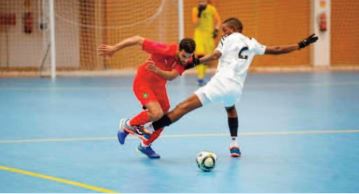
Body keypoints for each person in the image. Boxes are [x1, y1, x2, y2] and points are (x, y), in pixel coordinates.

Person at [125, 17, 318, 158]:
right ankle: (234, 144)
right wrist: (301, 45)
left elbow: (215, 56)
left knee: (182, 108)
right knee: (231, 109)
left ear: (233, 29)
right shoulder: (252, 43)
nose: (222, 32)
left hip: (220, 83)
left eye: (225, 29)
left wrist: (194, 63)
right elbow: (276, 50)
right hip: (236, 89)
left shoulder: (228, 38)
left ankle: (149, 128)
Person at [97, 36, 198, 159]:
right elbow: (137, 39)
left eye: (189, 56)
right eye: (183, 56)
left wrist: (157, 70)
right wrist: (114, 48)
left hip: (159, 87)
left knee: (165, 118)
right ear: (178, 50)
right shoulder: (165, 49)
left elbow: (171, 76)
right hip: (143, 82)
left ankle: (145, 145)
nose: (186, 60)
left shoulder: (186, 60)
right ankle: (127, 125)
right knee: (156, 113)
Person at [192, 0, 221, 86]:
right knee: (200, 55)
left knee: (207, 58)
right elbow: (195, 24)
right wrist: (199, 13)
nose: (202, 2)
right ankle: (200, 77)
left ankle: (202, 76)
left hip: (209, 37)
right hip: (199, 36)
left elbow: (218, 21)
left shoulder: (212, 9)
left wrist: (216, 30)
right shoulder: (195, 10)